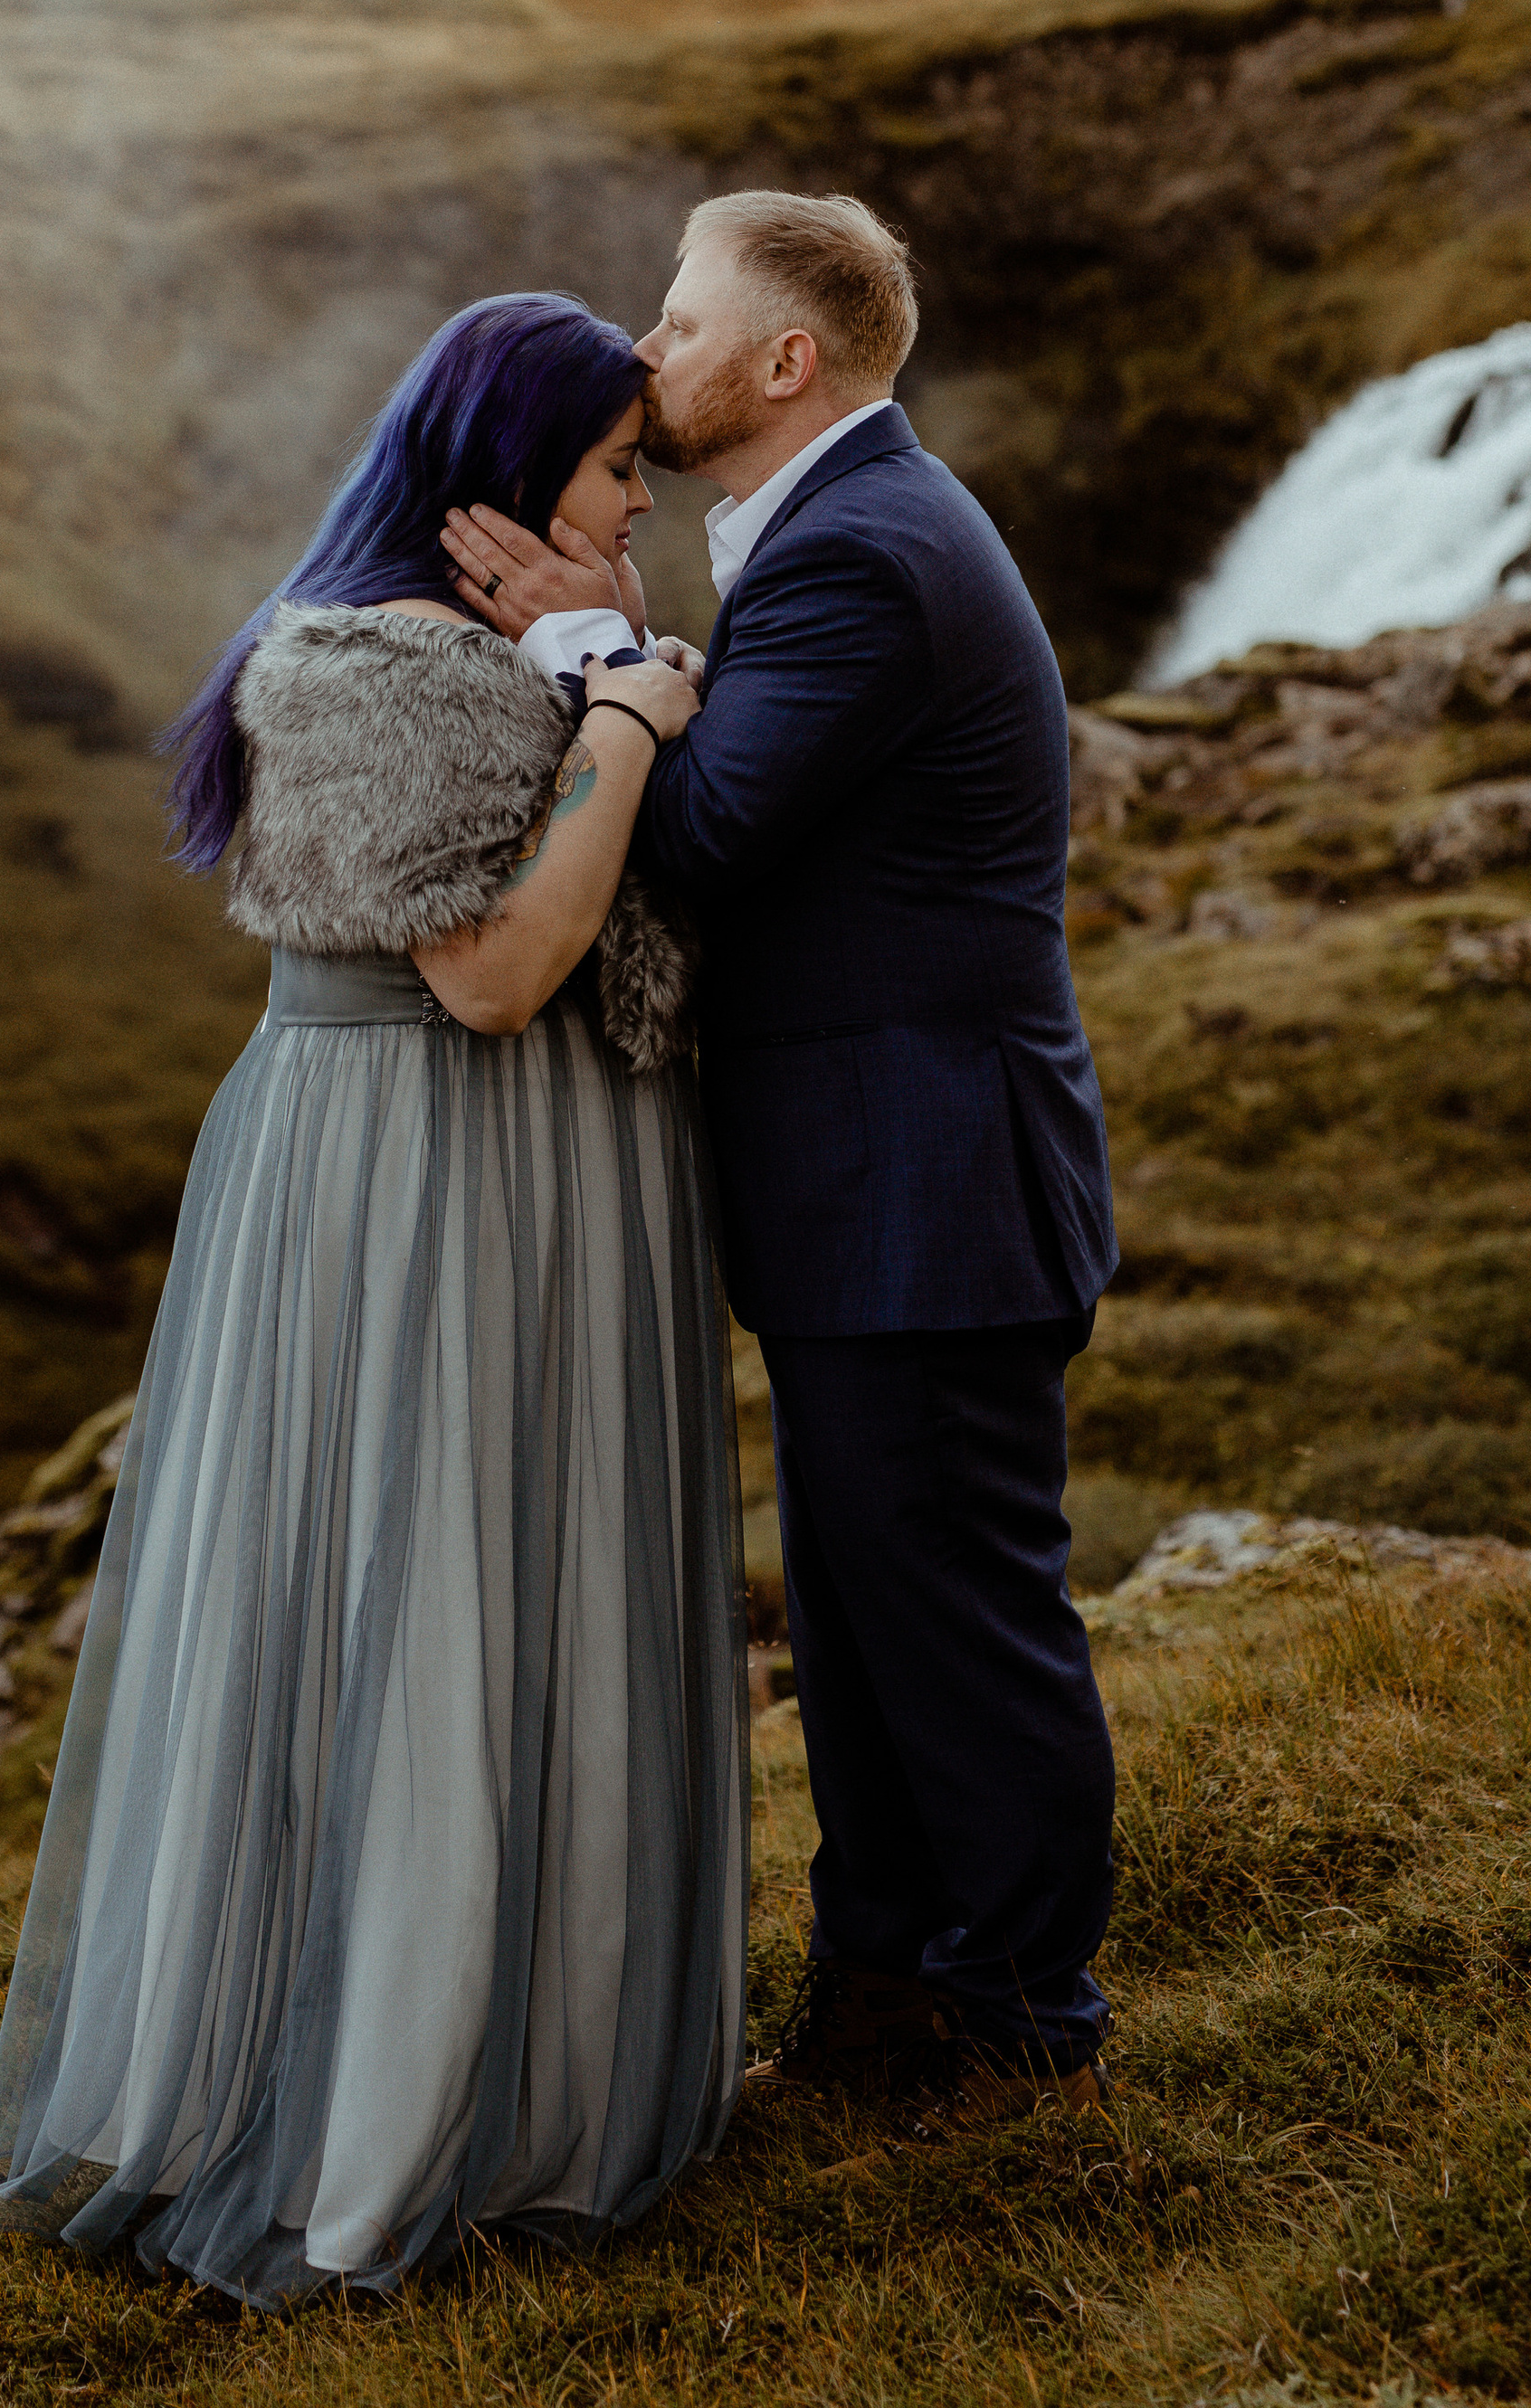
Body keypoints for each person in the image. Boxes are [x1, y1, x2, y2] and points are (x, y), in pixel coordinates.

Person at [0, 294, 748, 2305]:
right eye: (605, 475)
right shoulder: (351, 667)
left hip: (528, 1174)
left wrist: (597, 670)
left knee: (501, 1591)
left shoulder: (522, 645)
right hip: (424, 1177)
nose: (627, 524)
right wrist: (619, 711)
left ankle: (525, 2056)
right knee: (415, 1605)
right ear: (493, 482)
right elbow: (489, 974)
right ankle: (380, 2101)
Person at [442, 193, 1119, 2113]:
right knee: (866, 1604)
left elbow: (711, 837)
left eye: (675, 322)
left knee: (955, 1614)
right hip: (881, 1186)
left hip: (926, 1183)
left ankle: (1019, 2021)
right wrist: (638, 657)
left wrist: (590, 650)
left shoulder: (859, 555)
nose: (646, 356)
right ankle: (889, 1998)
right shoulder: (838, 530)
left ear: (782, 363)